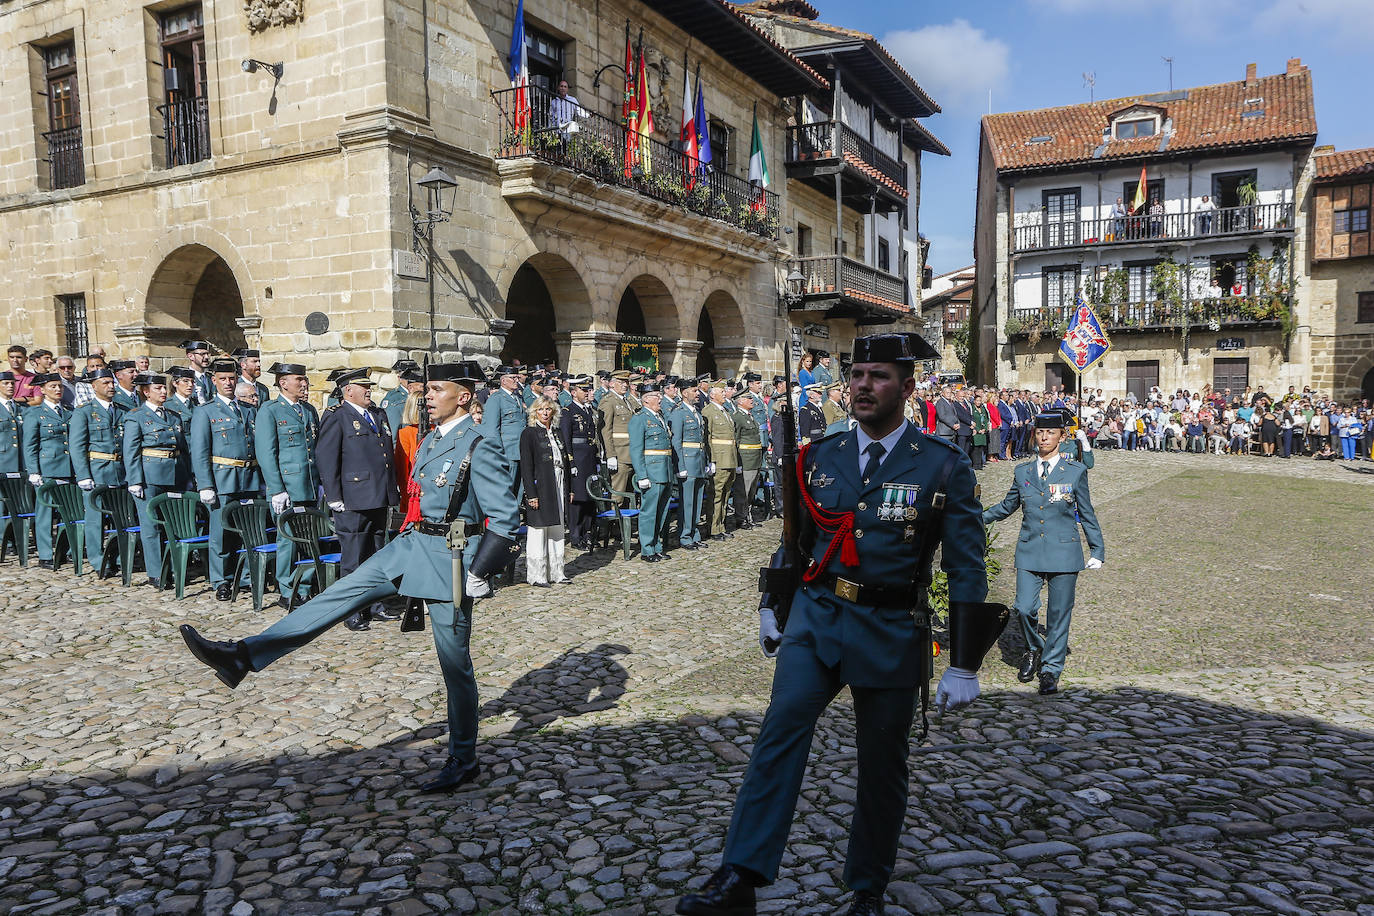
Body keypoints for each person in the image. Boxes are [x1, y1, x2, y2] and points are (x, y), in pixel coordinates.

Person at [676, 333, 999, 916]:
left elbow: (966, 565)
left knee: (882, 762)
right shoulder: (817, 456)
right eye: (857, 375)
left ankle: (867, 889)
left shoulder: (941, 465)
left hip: (893, 625)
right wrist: (770, 605)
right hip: (819, 617)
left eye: (878, 376)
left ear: (906, 386)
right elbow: (794, 545)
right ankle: (740, 876)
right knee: (780, 731)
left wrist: (964, 663)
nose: (863, 385)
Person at [179, 360, 522, 794]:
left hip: (451, 558)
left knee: (454, 663)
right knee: (339, 593)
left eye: (436, 389)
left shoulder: (479, 444)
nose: (427, 396)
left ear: (464, 396)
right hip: (411, 544)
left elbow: (507, 519)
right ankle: (243, 656)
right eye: (427, 389)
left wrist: (480, 570)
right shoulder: (432, 438)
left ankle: (463, 756)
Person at [983, 411, 1104, 696]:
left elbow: (1086, 513)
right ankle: (1034, 649)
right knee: (1024, 608)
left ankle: (1050, 669)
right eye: (1039, 432)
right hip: (1030, 550)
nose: (1044, 437)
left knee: (1059, 614)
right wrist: (976, 517)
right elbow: (1007, 506)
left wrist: (1097, 548)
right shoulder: (1022, 472)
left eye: (1050, 433)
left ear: (1062, 438)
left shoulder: (1075, 472)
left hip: (1064, 551)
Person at [317, 368, 398, 631]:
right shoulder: (337, 417)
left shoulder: (377, 414)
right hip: (352, 498)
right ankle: (351, 610)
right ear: (348, 390)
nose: (369, 390)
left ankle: (375, 604)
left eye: (369, 386)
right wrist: (334, 495)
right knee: (353, 558)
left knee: (376, 554)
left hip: (378, 494)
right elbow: (327, 458)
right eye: (363, 386)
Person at [190, 357, 262, 601]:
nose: (228, 383)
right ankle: (221, 580)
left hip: (249, 478)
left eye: (231, 378)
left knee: (247, 531)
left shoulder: (248, 409)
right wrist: (205, 484)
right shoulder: (206, 412)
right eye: (223, 379)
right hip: (222, 479)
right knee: (220, 533)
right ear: (214, 381)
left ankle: (246, 575)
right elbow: (200, 451)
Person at [255, 363, 321, 608]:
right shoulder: (270, 411)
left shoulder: (309, 410)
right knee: (288, 539)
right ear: (283, 383)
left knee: (309, 537)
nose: (304, 384)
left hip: (309, 484)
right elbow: (266, 452)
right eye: (299, 379)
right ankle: (286, 588)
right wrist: (276, 488)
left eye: (304, 379)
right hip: (287, 485)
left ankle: (304, 587)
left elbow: (314, 448)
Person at [122, 373, 192, 588]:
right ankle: (156, 572)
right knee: (151, 525)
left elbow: (183, 448)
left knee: (174, 522)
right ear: (145, 392)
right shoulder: (136, 416)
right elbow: (131, 451)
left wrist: (189, 474)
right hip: (150, 475)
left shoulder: (173, 415)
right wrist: (134, 479)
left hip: (176, 473)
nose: (163, 392)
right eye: (157, 389)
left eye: (164, 388)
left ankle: (175, 567)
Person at [70, 367, 129, 569]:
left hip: (119, 469)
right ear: (93, 386)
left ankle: (121, 557)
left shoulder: (122, 410)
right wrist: (83, 474)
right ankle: (97, 559)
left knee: (121, 516)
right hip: (97, 469)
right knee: (95, 517)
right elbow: (77, 446)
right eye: (105, 383)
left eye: (112, 383)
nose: (111, 386)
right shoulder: (85, 412)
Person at [21, 373, 73, 569]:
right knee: (45, 512)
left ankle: (67, 550)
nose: (58, 390)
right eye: (52, 386)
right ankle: (45, 553)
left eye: (59, 386)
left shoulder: (69, 411)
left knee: (68, 511)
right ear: (41, 390)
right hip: (48, 468)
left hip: (68, 467)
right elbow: (30, 445)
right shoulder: (34, 413)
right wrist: (33, 470)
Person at [520, 395, 572, 584]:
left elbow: (566, 460)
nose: (544, 413)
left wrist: (570, 489)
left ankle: (557, 572)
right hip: (540, 486)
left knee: (557, 529)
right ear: (535, 412)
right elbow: (526, 466)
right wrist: (531, 494)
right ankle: (537, 575)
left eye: (548, 409)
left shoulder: (557, 432)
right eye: (541, 409)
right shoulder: (529, 433)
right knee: (539, 530)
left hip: (558, 482)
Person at [628, 386, 674, 562]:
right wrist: (642, 476)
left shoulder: (660, 417)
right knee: (649, 512)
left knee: (662, 511)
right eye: (656, 396)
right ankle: (647, 549)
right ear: (646, 399)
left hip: (665, 470)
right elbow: (636, 450)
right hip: (652, 472)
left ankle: (657, 546)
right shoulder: (639, 419)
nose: (660, 398)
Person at [558, 375, 600, 549]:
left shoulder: (588, 410)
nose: (587, 393)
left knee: (590, 496)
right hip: (577, 458)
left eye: (588, 390)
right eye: (584, 390)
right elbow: (566, 439)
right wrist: (571, 462)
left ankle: (588, 532)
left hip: (589, 457)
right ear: (574, 392)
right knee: (577, 498)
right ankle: (576, 535)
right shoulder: (568, 412)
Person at [669, 377, 710, 551]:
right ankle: (685, 536)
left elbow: (702, 440)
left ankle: (694, 533)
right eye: (694, 391)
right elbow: (676, 441)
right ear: (685, 393)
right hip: (687, 460)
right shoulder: (678, 413)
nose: (697, 393)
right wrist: (681, 466)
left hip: (699, 460)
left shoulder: (696, 412)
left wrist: (706, 461)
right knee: (687, 501)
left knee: (697, 500)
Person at [702, 381, 738, 540]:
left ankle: (721, 525)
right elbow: (707, 438)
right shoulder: (708, 411)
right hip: (719, 458)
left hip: (730, 457)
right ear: (712, 395)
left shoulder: (725, 411)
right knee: (716, 495)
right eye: (721, 392)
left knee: (725, 494)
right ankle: (713, 528)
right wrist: (711, 460)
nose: (725, 394)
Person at [598, 370, 638, 498]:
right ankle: (616, 518)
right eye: (621, 382)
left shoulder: (627, 401)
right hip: (619, 454)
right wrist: (610, 455)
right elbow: (606, 430)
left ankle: (628, 518)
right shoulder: (608, 402)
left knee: (629, 493)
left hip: (630, 453)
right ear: (611, 384)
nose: (625, 385)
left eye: (626, 382)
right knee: (618, 494)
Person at [731, 390, 765, 529]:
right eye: (748, 398)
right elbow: (736, 440)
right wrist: (737, 462)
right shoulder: (737, 417)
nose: (751, 400)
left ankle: (748, 516)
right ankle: (741, 518)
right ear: (740, 401)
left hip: (754, 458)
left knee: (751, 491)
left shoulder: (749, 416)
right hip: (745, 459)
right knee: (743, 491)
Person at [0, 372, 23, 476]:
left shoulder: (23, 408)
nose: (10, 386)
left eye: (12, 383)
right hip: (3, 462)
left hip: (22, 462)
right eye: (6, 383)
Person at [181, 339, 214, 405]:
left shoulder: (211, 377)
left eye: (208, 354)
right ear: (191, 356)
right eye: (202, 354)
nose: (207, 357)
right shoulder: (183, 378)